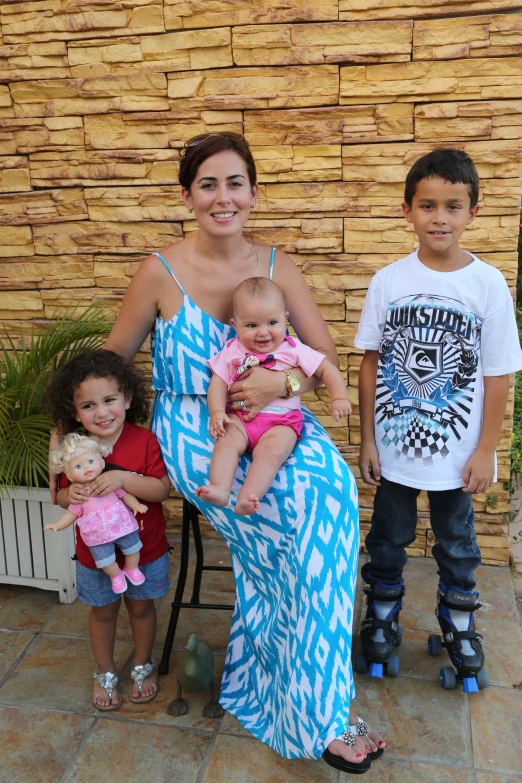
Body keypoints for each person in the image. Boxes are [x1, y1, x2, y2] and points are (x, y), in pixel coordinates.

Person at [84, 131, 385, 771]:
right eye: (208, 184)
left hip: (280, 417)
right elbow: (111, 359)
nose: (224, 198)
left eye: (235, 183)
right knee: (285, 519)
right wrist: (78, 423)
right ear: (189, 195)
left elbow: (323, 357)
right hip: (196, 427)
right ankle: (313, 705)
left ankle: (301, 692)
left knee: (329, 501)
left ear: (253, 191)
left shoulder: (279, 266)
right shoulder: (159, 271)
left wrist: (291, 382)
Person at [355, 148, 522, 687]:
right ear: (408, 210)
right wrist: (368, 442)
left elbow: (499, 373)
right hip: (397, 448)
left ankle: (458, 619)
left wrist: (486, 449)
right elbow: (372, 363)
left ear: (473, 211)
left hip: (458, 455)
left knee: (457, 544)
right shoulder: (387, 280)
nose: (440, 218)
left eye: (453, 205)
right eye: (428, 205)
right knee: (387, 539)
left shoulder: (488, 284)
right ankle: (381, 616)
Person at [46, 350, 172, 711]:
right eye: (88, 405)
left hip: (143, 550)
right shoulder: (73, 447)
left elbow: (161, 489)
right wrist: (73, 492)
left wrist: (122, 479)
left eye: (109, 400)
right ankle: (104, 671)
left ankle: (143, 664)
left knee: (142, 607)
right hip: (95, 556)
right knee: (102, 611)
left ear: (127, 399)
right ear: (74, 412)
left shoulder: (144, 441)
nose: (101, 413)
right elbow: (60, 498)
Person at [196, 276, 351, 515]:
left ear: (285, 319)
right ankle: (220, 487)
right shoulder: (232, 350)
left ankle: (249, 497)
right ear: (235, 325)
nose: (263, 333)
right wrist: (217, 413)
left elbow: (326, 368)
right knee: (226, 441)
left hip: (281, 422)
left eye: (272, 322)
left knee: (270, 455)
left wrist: (339, 397)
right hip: (240, 419)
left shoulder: (294, 349)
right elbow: (217, 382)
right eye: (251, 325)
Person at [45, 432, 148, 594]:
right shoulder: (79, 493)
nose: (86, 467)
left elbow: (124, 494)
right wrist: (58, 524)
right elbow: (72, 513)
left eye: (91, 461)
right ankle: (116, 576)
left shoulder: (108, 481)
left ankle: (131, 568)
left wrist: (135, 505)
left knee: (133, 548)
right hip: (97, 536)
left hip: (122, 525)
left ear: (101, 462)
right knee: (105, 561)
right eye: (78, 466)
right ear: (69, 475)